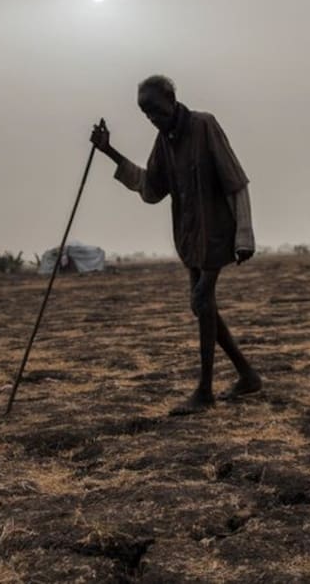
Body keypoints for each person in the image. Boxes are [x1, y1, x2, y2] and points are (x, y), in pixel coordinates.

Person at [90, 75, 262, 415]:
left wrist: (244, 234)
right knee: (204, 308)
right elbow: (150, 188)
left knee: (202, 302)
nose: (152, 117)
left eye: (154, 108)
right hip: (189, 238)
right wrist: (108, 151)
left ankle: (205, 391)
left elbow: (236, 182)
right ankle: (247, 375)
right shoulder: (164, 142)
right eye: (145, 112)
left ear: (170, 98)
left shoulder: (204, 125)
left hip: (216, 236)